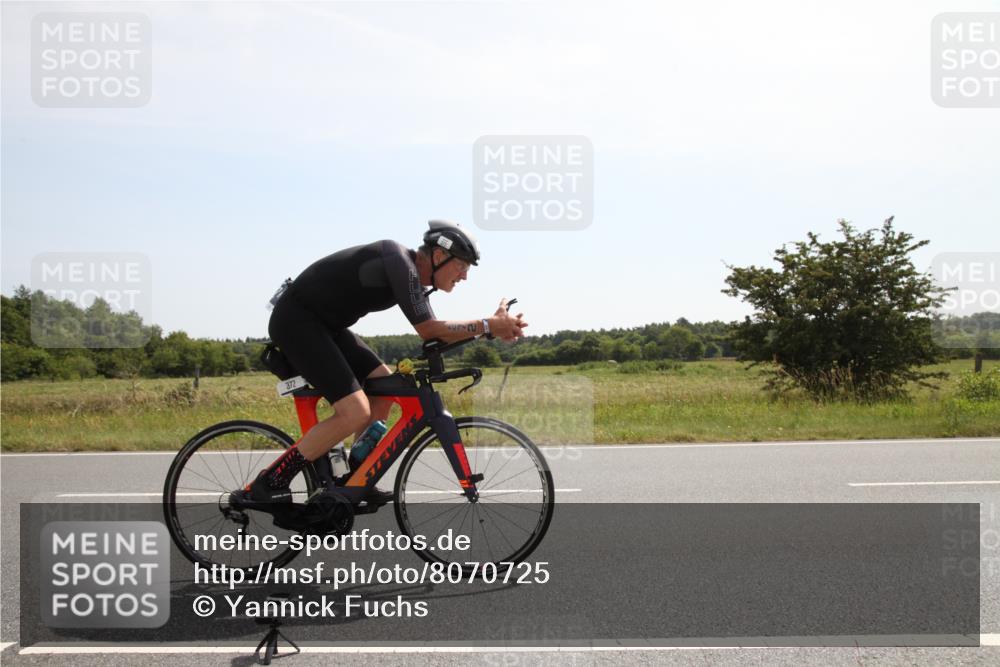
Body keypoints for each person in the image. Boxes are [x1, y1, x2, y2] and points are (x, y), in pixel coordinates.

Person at [249, 220, 527, 505]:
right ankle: (271, 481)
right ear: (440, 255)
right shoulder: (398, 261)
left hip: (326, 327)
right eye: (463, 266)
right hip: (297, 321)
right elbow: (429, 329)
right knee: (354, 411)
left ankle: (356, 479)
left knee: (385, 389)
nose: (464, 276)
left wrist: (492, 329)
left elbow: (436, 336)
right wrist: (486, 324)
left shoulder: (412, 277)